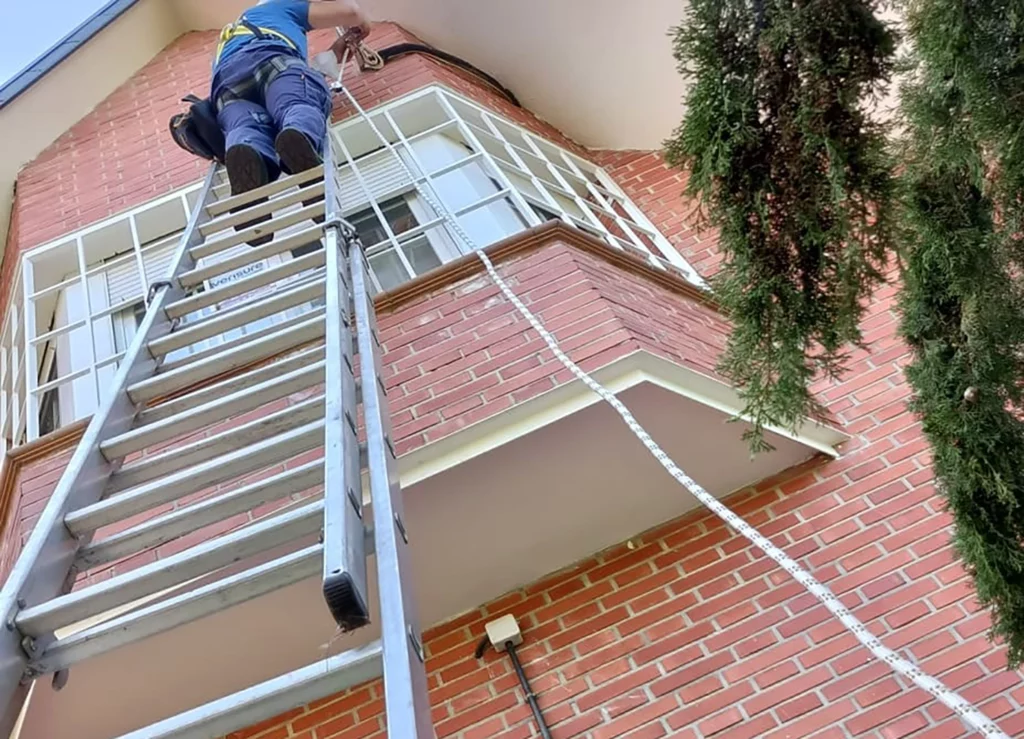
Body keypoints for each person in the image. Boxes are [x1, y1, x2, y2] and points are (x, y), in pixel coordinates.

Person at [212, 0, 371, 197]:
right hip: (271, 59)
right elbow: (350, 12)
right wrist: (363, 24)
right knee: (295, 104)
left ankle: (246, 153)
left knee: (244, 128)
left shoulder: (229, 37)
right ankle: (298, 133)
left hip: (226, 86)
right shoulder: (279, 5)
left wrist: (336, 51)